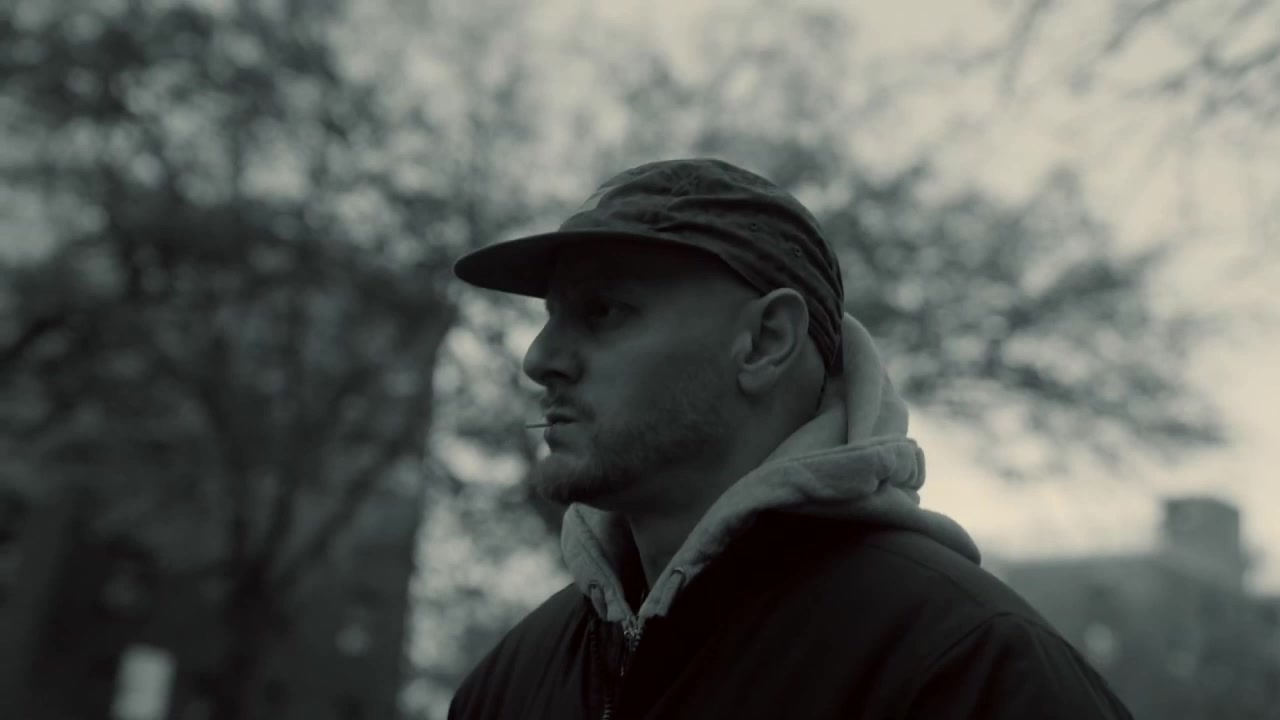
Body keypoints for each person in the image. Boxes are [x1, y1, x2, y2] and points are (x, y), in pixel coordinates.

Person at [448, 158, 1134, 719]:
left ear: (766, 342)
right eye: (550, 317)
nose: (539, 359)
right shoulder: (508, 686)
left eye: (602, 311)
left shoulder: (966, 668)